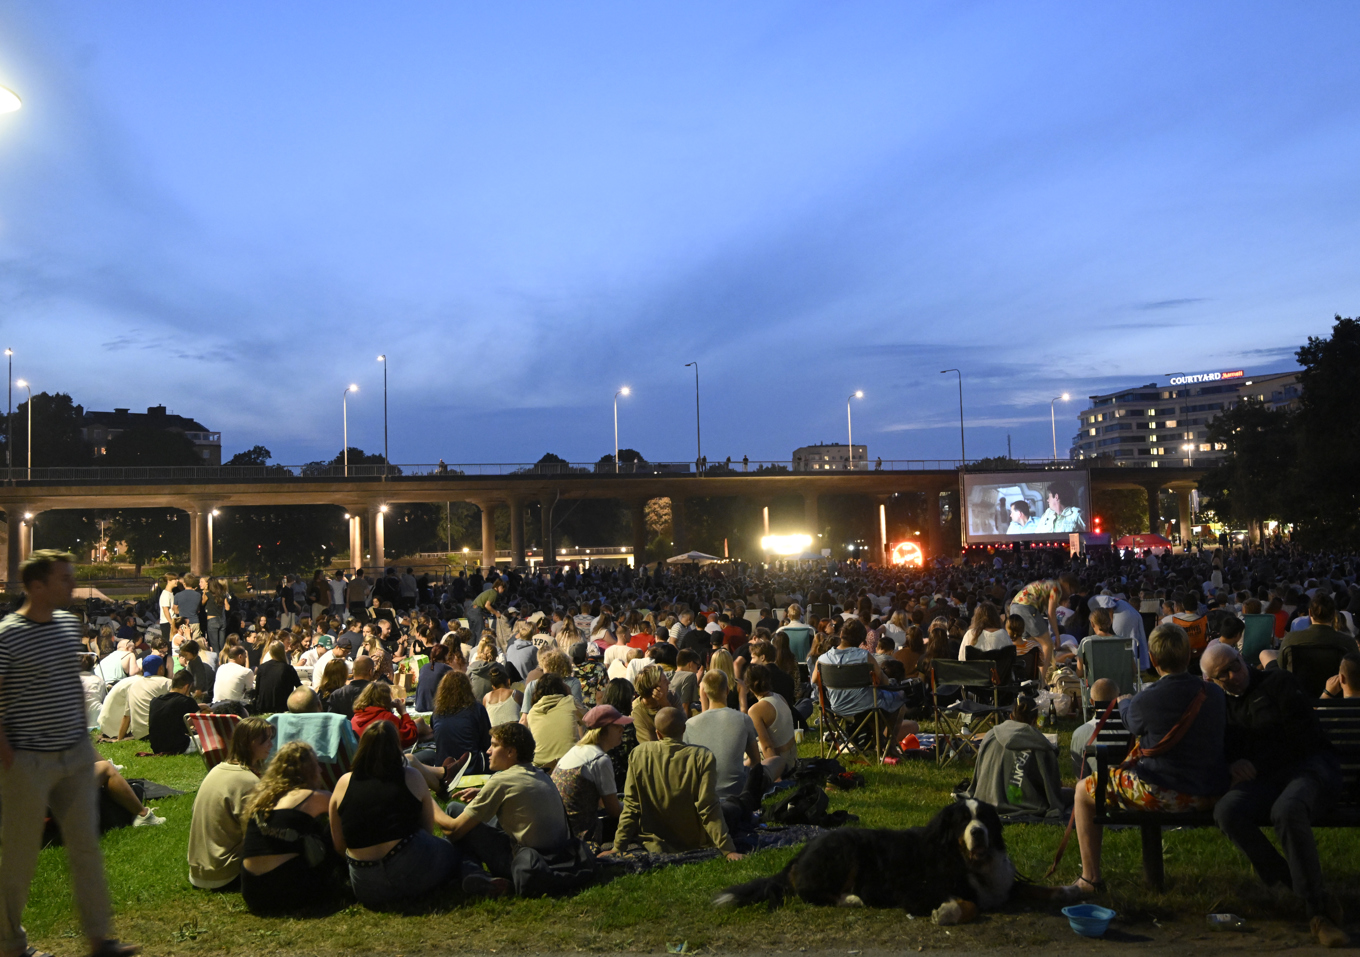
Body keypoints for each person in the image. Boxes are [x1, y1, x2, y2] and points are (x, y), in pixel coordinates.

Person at [0, 550, 140, 957]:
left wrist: (83, 740)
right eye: (63, 579)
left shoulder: (65, 625)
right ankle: (9, 943)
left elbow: (67, 686)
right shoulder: (9, 633)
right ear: (36, 585)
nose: (72, 585)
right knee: (19, 856)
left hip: (74, 753)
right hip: (28, 759)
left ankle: (100, 939)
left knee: (86, 849)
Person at [1201, 642, 1349, 947]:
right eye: (1224, 673)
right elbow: (1215, 748)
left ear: (1243, 659)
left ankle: (1317, 913)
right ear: (1211, 681)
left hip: (1308, 769)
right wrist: (1232, 764)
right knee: (1227, 811)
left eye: (1236, 664)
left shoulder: (1278, 682)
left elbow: (1302, 737)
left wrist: (1253, 763)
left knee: (1287, 810)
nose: (1235, 674)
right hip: (1264, 781)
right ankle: (1296, 886)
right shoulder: (1217, 705)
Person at [1066, 624, 1228, 897]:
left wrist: (1126, 702)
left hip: (1163, 792)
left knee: (1083, 790)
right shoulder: (1213, 694)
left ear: (1153, 660)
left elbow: (1133, 723)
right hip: (1209, 791)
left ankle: (1090, 878)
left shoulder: (1146, 700)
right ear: (1189, 655)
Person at [330, 721, 460, 908]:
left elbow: (339, 844)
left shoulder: (344, 783)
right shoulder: (411, 776)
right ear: (396, 747)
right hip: (410, 869)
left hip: (365, 884)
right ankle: (474, 874)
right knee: (455, 849)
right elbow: (427, 830)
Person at [444, 722, 572, 897]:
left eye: (495, 745)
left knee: (453, 810)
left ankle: (469, 874)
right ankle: (474, 876)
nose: (488, 751)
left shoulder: (502, 781)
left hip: (524, 863)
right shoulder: (540, 774)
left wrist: (429, 804)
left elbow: (454, 830)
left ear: (511, 752)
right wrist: (484, 794)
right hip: (556, 859)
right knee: (477, 821)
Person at [608, 707, 742, 859]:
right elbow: (708, 807)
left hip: (656, 843)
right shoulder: (702, 756)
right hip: (695, 840)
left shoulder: (639, 754)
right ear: (684, 729)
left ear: (657, 733)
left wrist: (618, 847)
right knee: (734, 807)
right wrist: (728, 850)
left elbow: (632, 805)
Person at [240, 742, 338, 914]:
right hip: (287, 892)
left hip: (252, 891)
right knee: (332, 826)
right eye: (317, 765)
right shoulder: (315, 797)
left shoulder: (261, 799)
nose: (321, 771)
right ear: (310, 769)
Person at [187, 716, 276, 890]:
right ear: (250, 743)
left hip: (199, 871)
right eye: (265, 741)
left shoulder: (218, 769)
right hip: (225, 874)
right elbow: (261, 832)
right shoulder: (248, 781)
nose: (271, 745)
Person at [809, 618, 913, 754]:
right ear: (861, 641)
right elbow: (884, 682)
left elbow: (815, 681)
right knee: (899, 699)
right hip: (864, 708)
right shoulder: (865, 657)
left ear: (841, 635)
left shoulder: (823, 659)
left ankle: (876, 740)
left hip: (836, 708)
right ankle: (889, 746)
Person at [682, 670, 762, 830]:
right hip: (736, 796)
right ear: (727, 690)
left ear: (703, 692)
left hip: (702, 797)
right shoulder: (743, 719)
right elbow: (755, 761)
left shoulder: (689, 725)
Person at [967, 694, 1068, 819]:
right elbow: (1051, 791)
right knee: (1072, 794)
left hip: (984, 799)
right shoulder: (1040, 744)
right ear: (1035, 719)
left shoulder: (990, 734)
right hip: (1024, 803)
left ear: (1010, 716)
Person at [552, 705, 629, 842]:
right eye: (617, 726)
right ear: (604, 730)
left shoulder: (576, 751)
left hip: (561, 831)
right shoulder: (599, 760)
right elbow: (614, 811)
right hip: (583, 836)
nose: (622, 730)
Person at [743, 664, 797, 780]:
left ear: (749, 687)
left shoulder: (755, 710)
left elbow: (767, 747)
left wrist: (776, 777)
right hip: (792, 759)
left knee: (744, 755)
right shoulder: (779, 697)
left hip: (780, 765)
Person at [431, 671, 492, 773]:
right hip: (473, 767)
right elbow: (487, 741)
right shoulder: (477, 709)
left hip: (443, 767)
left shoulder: (437, 713)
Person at [523, 674, 581, 771]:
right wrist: (570, 694)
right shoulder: (570, 701)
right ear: (562, 688)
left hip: (540, 767)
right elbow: (589, 720)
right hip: (569, 764)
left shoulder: (532, 712)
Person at [350, 681, 422, 749]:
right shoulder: (386, 718)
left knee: (420, 722)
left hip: (364, 758)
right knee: (429, 753)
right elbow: (410, 736)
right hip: (385, 759)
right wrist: (403, 712)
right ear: (386, 699)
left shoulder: (355, 718)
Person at [148, 669, 202, 754]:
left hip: (156, 747)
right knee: (210, 739)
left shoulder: (155, 701)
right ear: (186, 687)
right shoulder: (187, 701)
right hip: (178, 747)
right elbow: (200, 720)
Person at [123, 653, 172, 741]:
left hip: (139, 734)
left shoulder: (133, 685)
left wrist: (120, 738)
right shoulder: (167, 683)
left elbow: (126, 716)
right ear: (161, 668)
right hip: (158, 732)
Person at [254, 640, 303, 714]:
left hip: (263, 707)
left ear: (270, 652)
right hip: (282, 707)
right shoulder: (288, 669)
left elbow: (257, 689)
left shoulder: (262, 667)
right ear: (283, 652)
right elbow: (299, 687)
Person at [326, 655, 374, 720]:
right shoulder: (378, 693)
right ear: (370, 672)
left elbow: (331, 721)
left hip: (343, 729)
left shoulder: (337, 694)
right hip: (370, 729)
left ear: (353, 671)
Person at [413, 643, 453, 713]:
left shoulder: (424, 667)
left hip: (420, 704)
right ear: (444, 655)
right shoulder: (446, 669)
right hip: (434, 705)